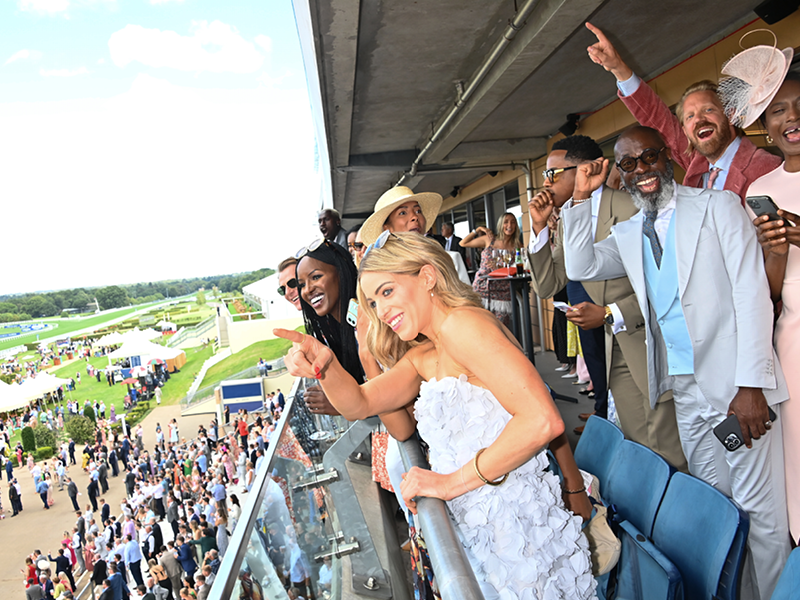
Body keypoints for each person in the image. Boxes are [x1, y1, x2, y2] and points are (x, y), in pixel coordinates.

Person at [275, 232, 596, 599]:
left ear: (427, 277)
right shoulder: (426, 352)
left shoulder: (464, 325)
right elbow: (361, 403)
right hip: (484, 524)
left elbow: (543, 420)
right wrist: (326, 366)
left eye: (387, 292)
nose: (381, 312)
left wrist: (447, 484)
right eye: (372, 303)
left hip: (516, 525)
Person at [561, 125, 790, 599]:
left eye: (650, 157)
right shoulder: (627, 234)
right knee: (720, 507)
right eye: (629, 163)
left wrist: (751, 386)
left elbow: (752, 295)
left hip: (736, 388)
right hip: (684, 389)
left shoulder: (718, 206)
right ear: (619, 175)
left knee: (760, 512)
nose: (642, 169)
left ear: (670, 157)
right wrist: (581, 198)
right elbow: (579, 266)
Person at [528, 134, 686, 465]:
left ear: (583, 170)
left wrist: (611, 312)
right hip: (613, 343)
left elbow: (666, 282)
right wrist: (539, 229)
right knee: (636, 437)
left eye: (553, 173)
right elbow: (549, 284)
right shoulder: (569, 215)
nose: (545, 182)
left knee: (667, 442)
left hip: (649, 338)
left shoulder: (631, 205)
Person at [585, 22, 781, 198]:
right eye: (689, 116)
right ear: (685, 131)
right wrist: (619, 68)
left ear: (729, 114)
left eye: (708, 109)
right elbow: (656, 118)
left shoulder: (768, 167)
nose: (699, 119)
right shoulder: (697, 163)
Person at [748, 72, 800, 544]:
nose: (793, 117)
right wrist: (778, 249)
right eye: (779, 110)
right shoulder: (760, 189)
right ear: (767, 127)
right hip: (794, 341)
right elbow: (770, 288)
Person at [361, 185, 470, 283]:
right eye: (402, 213)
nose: (415, 217)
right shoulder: (379, 269)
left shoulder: (450, 260)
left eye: (418, 211)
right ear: (387, 229)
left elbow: (469, 302)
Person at [460, 212, 521, 329]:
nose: (510, 225)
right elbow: (463, 243)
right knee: (480, 326)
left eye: (513, 222)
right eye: (506, 222)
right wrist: (477, 229)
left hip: (503, 293)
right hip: (482, 288)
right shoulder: (489, 240)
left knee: (500, 328)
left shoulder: (517, 246)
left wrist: (500, 267)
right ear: (501, 225)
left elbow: (518, 268)